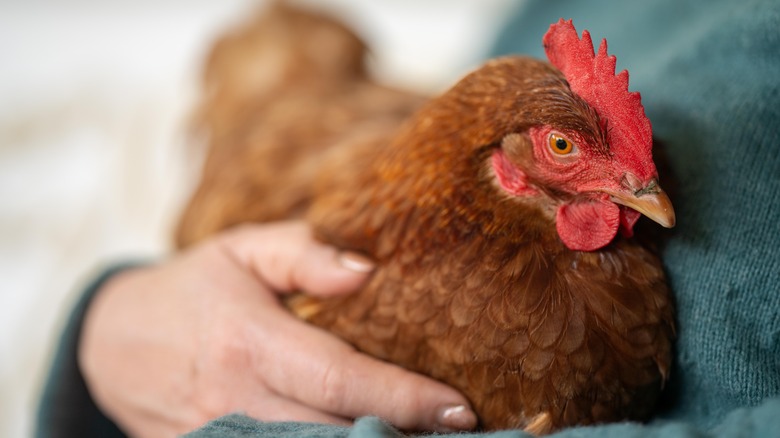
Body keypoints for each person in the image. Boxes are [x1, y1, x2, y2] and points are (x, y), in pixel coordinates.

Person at [38, 0, 780, 436]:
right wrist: (104, 325)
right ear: (505, 167)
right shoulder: (361, 282)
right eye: (560, 150)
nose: (635, 183)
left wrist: (97, 340)